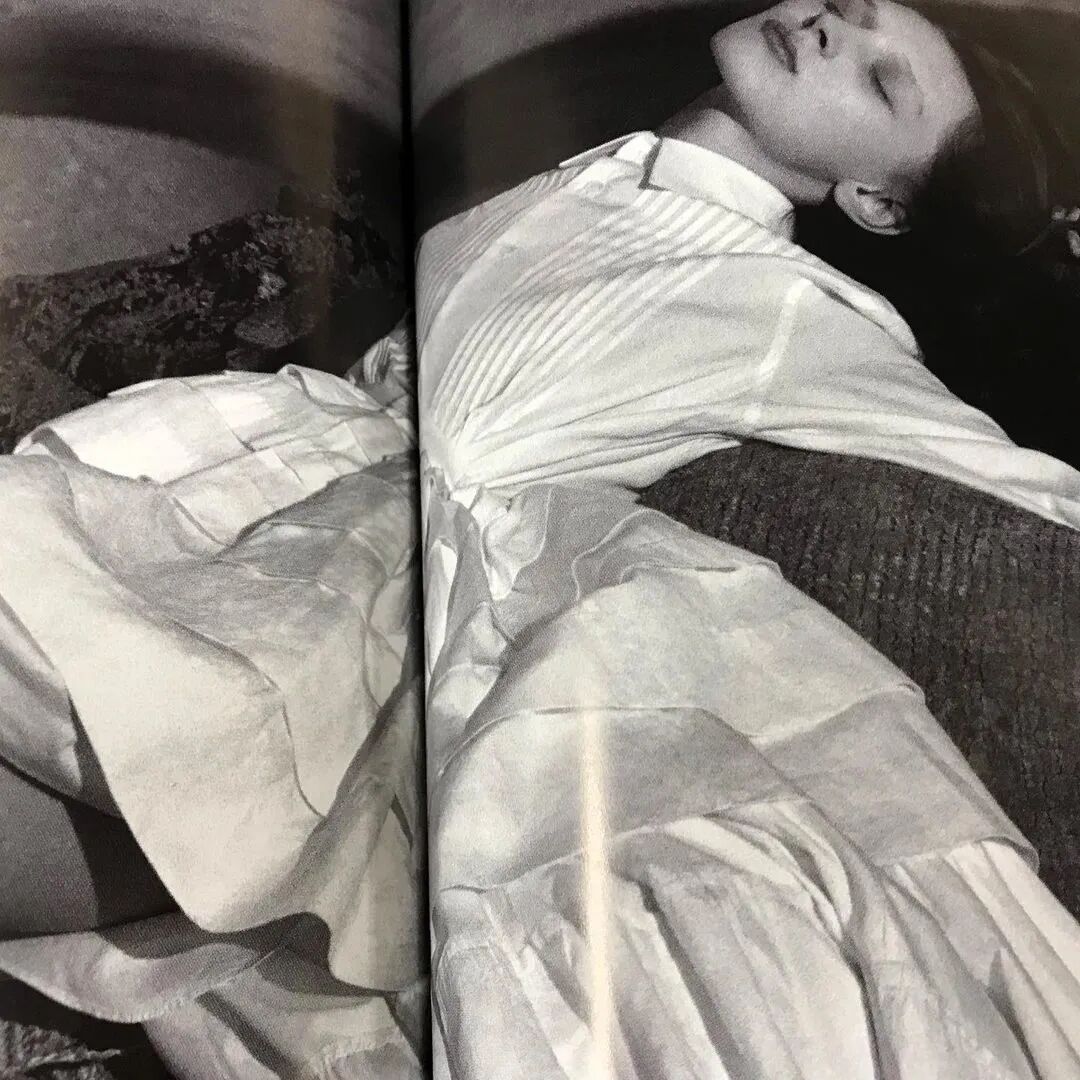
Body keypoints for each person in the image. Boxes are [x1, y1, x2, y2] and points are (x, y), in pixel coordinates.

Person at [1, 2, 1079, 1077]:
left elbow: (1017, 483)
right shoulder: (583, 169)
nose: (834, 29)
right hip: (281, 487)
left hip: (405, 610)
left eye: (884, 83)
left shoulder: (797, 306)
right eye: (851, 5)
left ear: (877, 201)